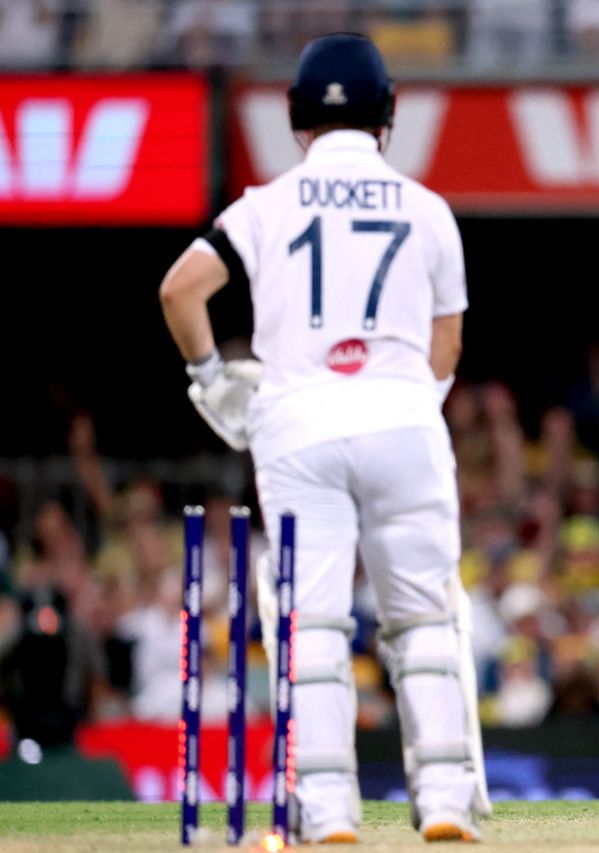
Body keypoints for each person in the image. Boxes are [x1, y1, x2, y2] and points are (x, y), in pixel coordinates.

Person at [159, 33, 484, 843]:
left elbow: (180, 290)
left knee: (313, 626)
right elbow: (446, 344)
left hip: (297, 427)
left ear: (297, 118)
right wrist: (404, 403)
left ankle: (331, 810)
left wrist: (210, 375)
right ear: (388, 115)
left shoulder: (263, 205)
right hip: (404, 422)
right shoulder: (427, 209)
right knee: (424, 618)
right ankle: (446, 799)